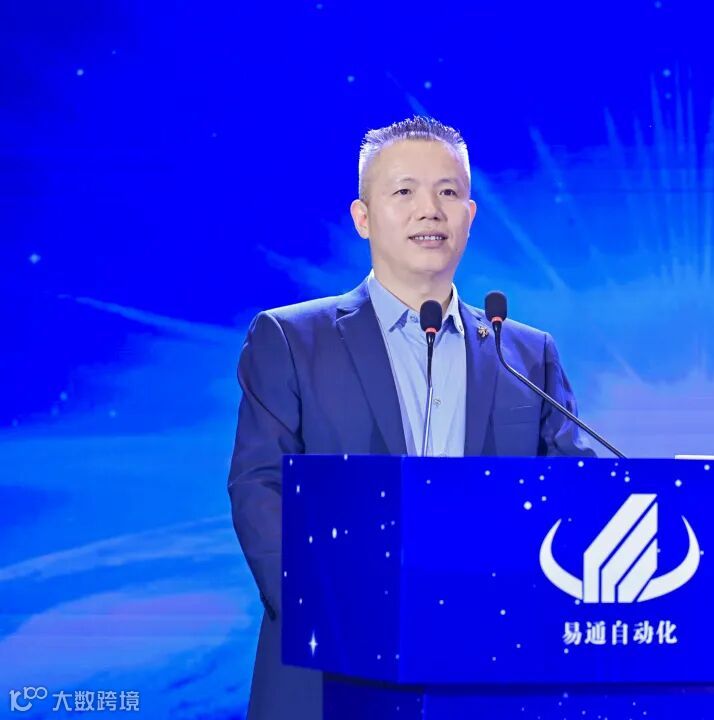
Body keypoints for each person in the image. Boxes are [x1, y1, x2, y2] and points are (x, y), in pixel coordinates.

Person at [227, 116, 594, 719]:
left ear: (469, 216)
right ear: (363, 216)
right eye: (404, 191)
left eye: (448, 192)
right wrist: (340, 617)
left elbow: (577, 496)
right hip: (334, 675)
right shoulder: (291, 340)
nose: (430, 210)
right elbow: (260, 490)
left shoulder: (526, 354)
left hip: (489, 673)